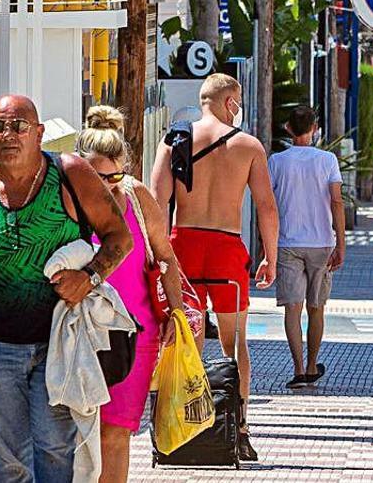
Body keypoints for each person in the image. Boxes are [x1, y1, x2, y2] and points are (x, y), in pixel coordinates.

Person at [0, 95, 133, 482]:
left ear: (39, 134)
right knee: (6, 460)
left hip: (59, 342)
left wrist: (89, 276)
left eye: (20, 126)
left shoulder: (70, 174)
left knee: (55, 450)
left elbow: (119, 238)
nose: (9, 135)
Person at [150, 72, 280, 461]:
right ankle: (237, 427)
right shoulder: (248, 145)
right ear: (229, 103)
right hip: (226, 246)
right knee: (233, 342)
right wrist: (270, 256)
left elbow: (157, 202)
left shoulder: (174, 140)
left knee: (176, 337)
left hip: (182, 246)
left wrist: (156, 256)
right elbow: (266, 207)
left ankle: (171, 421)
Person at [73, 106, 187, 483]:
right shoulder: (66, 200)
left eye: (114, 176)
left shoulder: (136, 198)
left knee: (116, 434)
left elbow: (166, 257)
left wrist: (177, 313)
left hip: (134, 336)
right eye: (95, 176)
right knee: (72, 435)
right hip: (76, 335)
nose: (105, 186)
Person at [268, 106, 346, 388]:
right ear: (314, 128)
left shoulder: (276, 162)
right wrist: (341, 243)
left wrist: (267, 247)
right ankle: (313, 365)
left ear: (289, 129)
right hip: (322, 242)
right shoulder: (327, 160)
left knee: (293, 309)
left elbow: (268, 205)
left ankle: (298, 368)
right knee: (317, 308)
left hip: (288, 242)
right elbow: (336, 202)